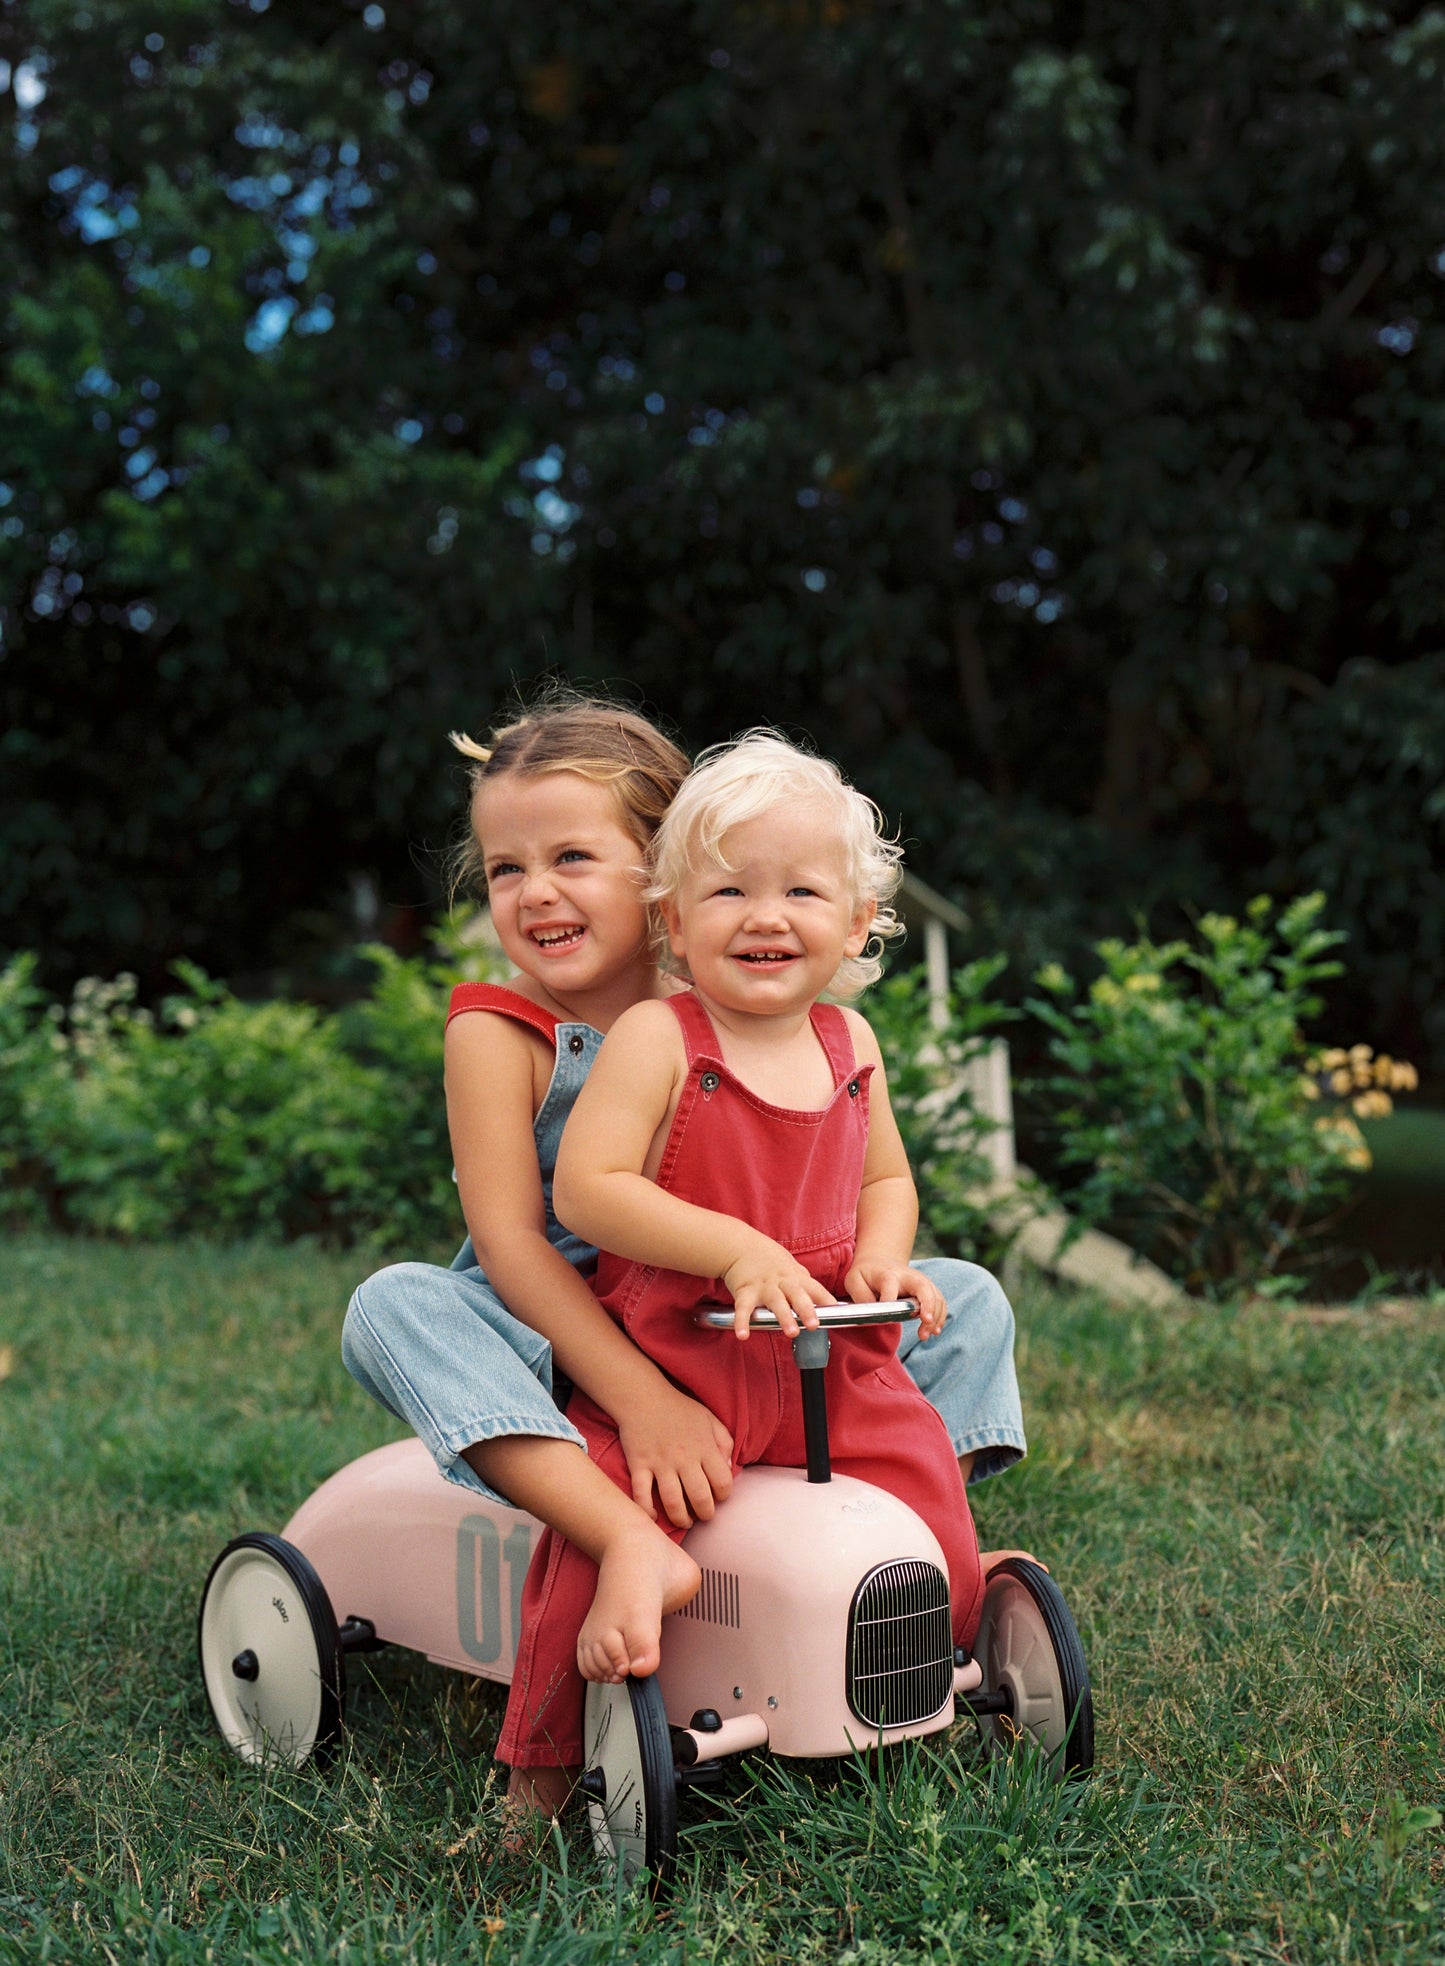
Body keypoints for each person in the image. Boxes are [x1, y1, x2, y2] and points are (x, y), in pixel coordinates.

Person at [340, 697, 1025, 1816]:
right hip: (562, 1339)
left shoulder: (732, 993)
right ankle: (615, 1526)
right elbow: (516, 1245)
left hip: (741, 1326)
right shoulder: (498, 1032)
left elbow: (855, 1177)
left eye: (571, 856)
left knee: (966, 1295)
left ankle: (888, 1542)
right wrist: (641, 1398)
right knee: (392, 1302)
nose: (535, 892)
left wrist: (866, 1267)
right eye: (506, 869)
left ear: (659, 866)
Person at [497, 731, 986, 1791]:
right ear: (673, 919)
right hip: (683, 1355)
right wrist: (735, 1248)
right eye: (726, 892)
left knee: (928, 1492)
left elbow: (882, 1182)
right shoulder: (660, 1038)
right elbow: (588, 1188)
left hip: (828, 1354)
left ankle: (942, 1663)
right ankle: (539, 1768)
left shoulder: (850, 1042)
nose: (765, 916)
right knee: (595, 1532)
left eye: (802, 891)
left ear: (857, 922)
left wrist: (883, 1262)